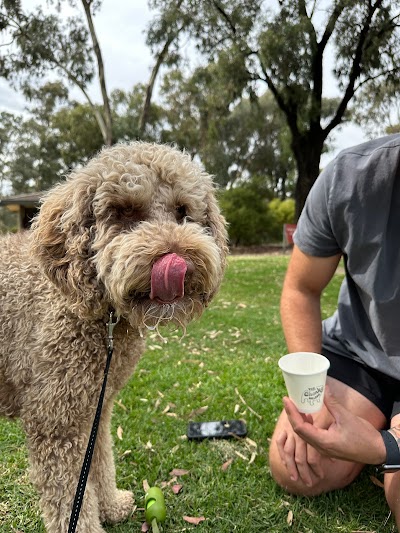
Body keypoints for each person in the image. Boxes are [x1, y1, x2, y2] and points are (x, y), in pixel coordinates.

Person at [268, 133, 400, 529]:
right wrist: (313, 395)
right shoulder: (349, 177)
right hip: (360, 348)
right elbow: (300, 289)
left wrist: (385, 445)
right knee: (293, 465)